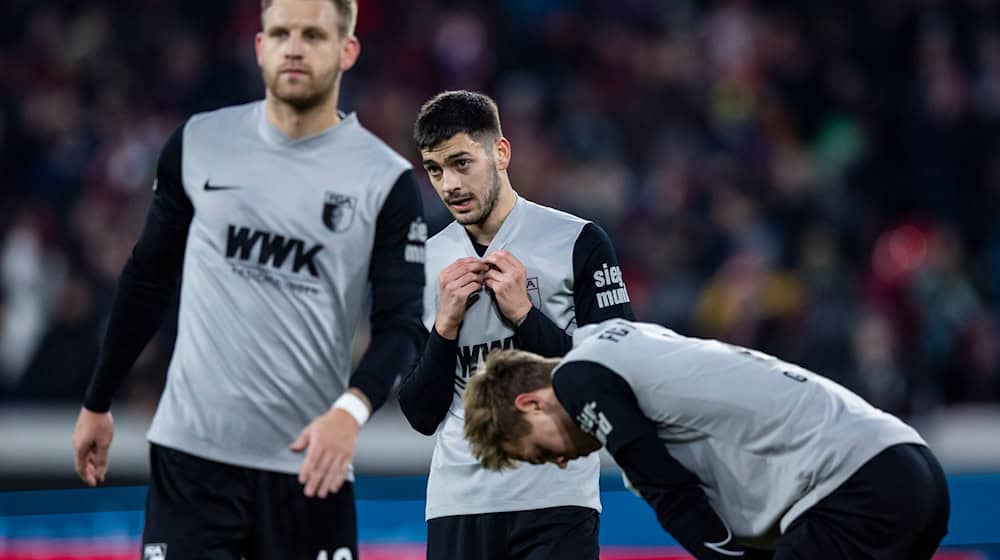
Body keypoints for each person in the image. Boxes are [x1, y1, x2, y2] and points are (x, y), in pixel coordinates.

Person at [70, 0, 427, 557]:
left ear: (347, 50)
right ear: (260, 47)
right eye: (280, 33)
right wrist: (98, 399)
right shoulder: (199, 143)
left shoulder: (385, 180)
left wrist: (351, 411)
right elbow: (147, 278)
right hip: (191, 463)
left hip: (310, 466)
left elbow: (403, 326)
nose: (294, 46)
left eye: (314, 34)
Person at [464, 319, 951, 560]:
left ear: (531, 403)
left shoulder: (579, 379)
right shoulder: (623, 349)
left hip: (852, 485)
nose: (562, 461)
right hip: (905, 467)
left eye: (542, 451)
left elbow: (670, 493)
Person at [397, 90, 635, 560]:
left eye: (462, 163)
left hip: (557, 501)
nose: (450, 185)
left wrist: (526, 317)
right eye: (436, 169)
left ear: (500, 152)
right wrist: (444, 328)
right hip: (457, 504)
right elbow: (420, 415)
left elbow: (616, 378)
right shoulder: (424, 263)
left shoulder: (577, 241)